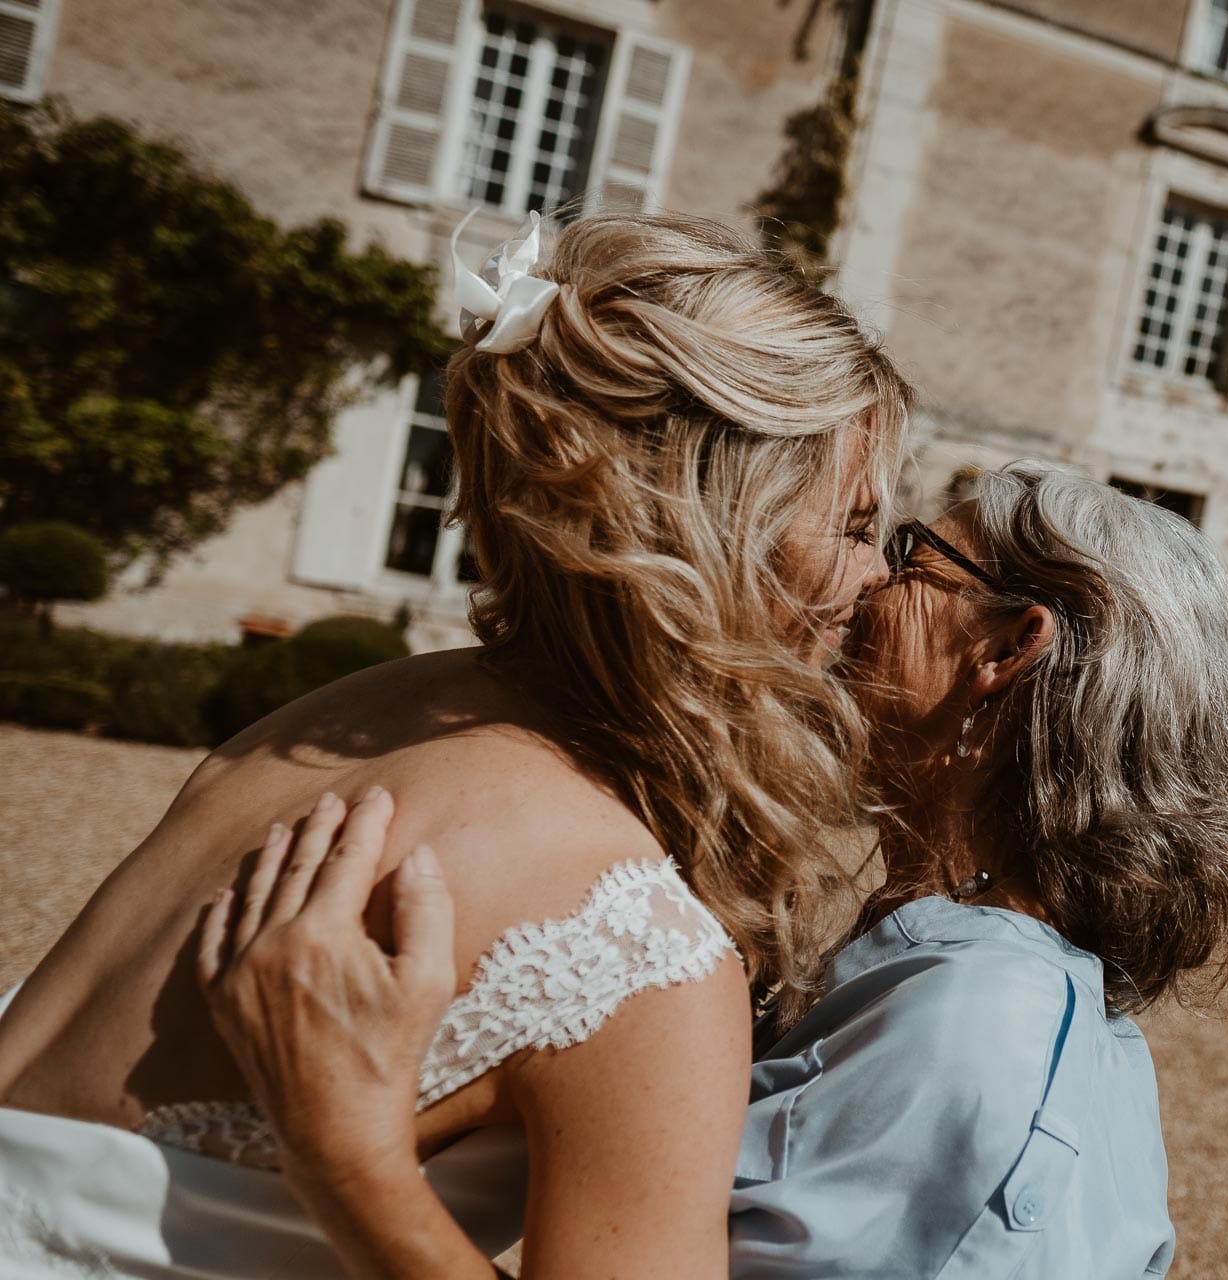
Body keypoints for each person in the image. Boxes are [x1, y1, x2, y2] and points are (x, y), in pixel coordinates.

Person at [0, 210, 912, 1278]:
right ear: (722, 522)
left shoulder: (341, 715)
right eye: (852, 526)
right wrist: (352, 1165)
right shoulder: (635, 951)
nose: (877, 577)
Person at [197, 464, 1228, 1278]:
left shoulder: (976, 1025)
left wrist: (346, 1154)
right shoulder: (977, 975)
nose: (862, 584)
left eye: (910, 554)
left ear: (1008, 646)